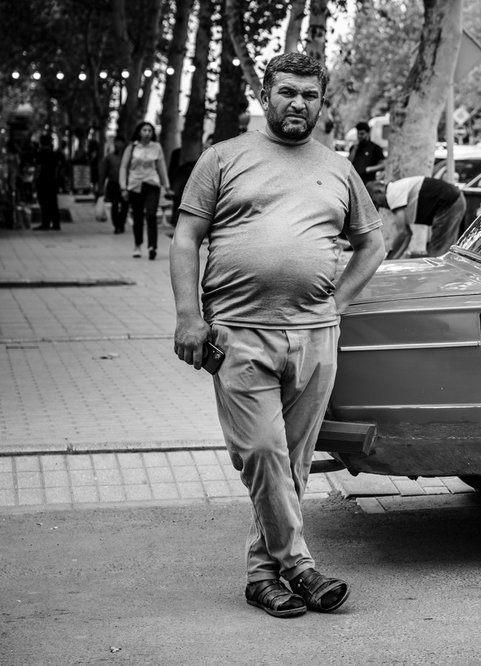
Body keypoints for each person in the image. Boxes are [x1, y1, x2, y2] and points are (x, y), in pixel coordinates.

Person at [169, 52, 384, 619]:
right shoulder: (223, 158)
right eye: (287, 92)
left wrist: (336, 305)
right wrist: (189, 316)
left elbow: (373, 243)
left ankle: (263, 579)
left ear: (321, 101)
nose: (299, 104)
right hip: (238, 333)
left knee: (291, 465)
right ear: (265, 95)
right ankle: (302, 567)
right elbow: (186, 238)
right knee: (261, 452)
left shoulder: (338, 167)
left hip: (315, 338)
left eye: (310, 95)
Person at [366, 176, 466, 259]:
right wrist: (392, 259)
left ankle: (441, 281)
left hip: (450, 203)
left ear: (378, 191)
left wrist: (389, 259)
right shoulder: (396, 193)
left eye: (375, 202)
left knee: (438, 253)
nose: (379, 206)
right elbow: (407, 235)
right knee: (441, 252)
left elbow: (403, 233)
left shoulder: (393, 193)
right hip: (453, 201)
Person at [120, 121, 170, 259]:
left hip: (152, 184)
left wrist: (166, 186)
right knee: (137, 217)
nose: (147, 133)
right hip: (135, 185)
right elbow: (124, 167)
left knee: (151, 214)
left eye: (149, 130)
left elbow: (161, 167)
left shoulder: (157, 147)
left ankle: (152, 246)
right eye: (144, 130)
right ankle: (137, 245)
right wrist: (123, 187)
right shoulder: (132, 148)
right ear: (139, 132)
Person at [98, 135, 129, 233]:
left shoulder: (128, 157)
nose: (118, 144)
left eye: (120, 142)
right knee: (114, 206)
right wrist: (101, 186)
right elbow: (103, 172)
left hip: (126, 185)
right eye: (116, 142)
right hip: (113, 184)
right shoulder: (109, 157)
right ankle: (116, 225)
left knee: (125, 206)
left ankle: (121, 223)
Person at [32, 135, 63, 231]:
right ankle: (56, 223)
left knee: (44, 202)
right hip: (52, 180)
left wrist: (34, 180)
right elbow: (58, 168)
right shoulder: (54, 154)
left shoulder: (40, 154)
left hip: (42, 180)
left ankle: (45, 223)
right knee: (53, 202)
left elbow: (38, 168)